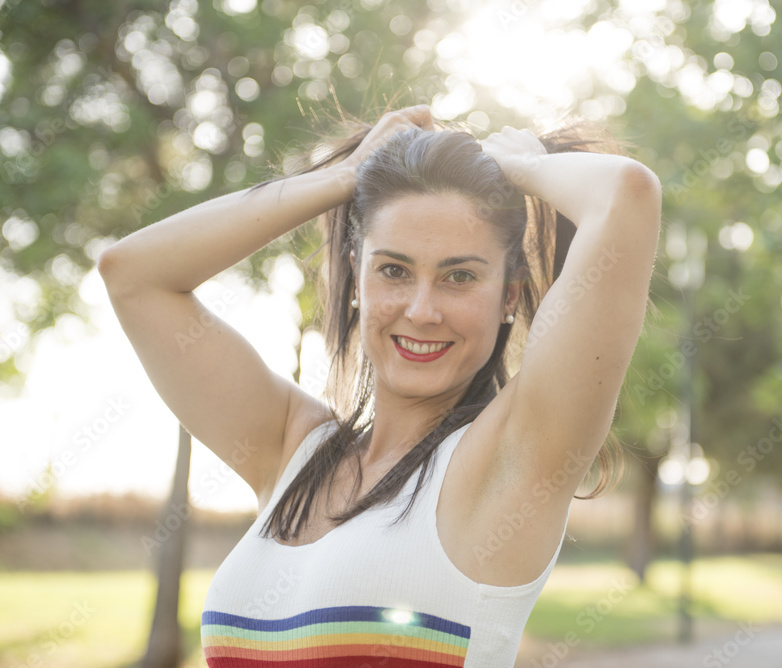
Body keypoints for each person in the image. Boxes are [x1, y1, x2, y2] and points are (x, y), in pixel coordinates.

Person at [98, 104, 661, 667]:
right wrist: (343, 178)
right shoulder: (291, 450)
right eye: (393, 269)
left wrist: (520, 166)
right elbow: (132, 274)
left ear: (509, 295)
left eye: (459, 277)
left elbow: (626, 195)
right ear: (357, 277)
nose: (421, 310)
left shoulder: (514, 457)